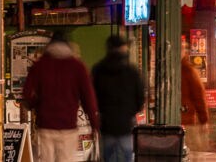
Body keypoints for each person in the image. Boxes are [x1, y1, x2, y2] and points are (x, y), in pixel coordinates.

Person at [22, 31, 101, 162]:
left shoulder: (40, 65)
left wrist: (37, 105)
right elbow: (89, 99)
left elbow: (26, 94)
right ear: (68, 46)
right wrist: (94, 125)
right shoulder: (78, 67)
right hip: (68, 127)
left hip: (46, 126)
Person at [91, 34, 146, 162]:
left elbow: (93, 96)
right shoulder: (132, 71)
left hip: (107, 125)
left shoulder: (98, 70)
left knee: (108, 157)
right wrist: (130, 112)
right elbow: (140, 97)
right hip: (125, 125)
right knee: (127, 157)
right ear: (123, 48)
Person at [181, 46, 210, 127]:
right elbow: (199, 96)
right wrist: (204, 119)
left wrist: (203, 118)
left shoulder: (188, 70)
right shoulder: (188, 70)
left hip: (184, 120)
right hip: (185, 120)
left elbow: (198, 96)